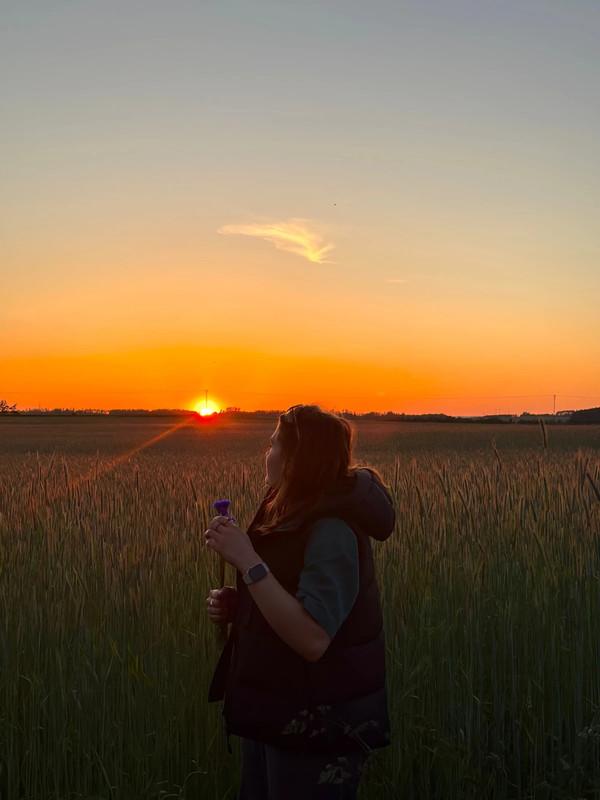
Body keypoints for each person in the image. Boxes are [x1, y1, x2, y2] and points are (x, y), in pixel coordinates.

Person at [204, 404, 395, 799]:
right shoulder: (294, 513)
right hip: (279, 713)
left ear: (297, 460)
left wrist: (247, 561)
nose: (267, 453)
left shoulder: (332, 529)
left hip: (319, 729)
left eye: (275, 445)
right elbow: (286, 595)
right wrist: (243, 606)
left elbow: (312, 638)